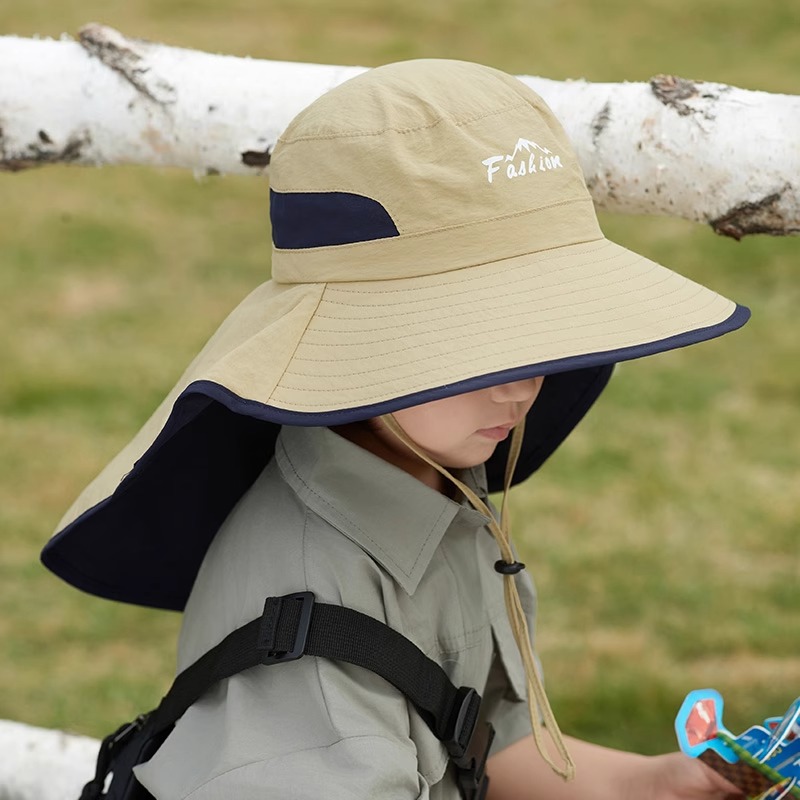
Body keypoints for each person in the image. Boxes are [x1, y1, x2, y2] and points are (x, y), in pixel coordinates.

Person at [42, 59, 750, 799]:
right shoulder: (310, 637)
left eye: (542, 335)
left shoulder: (430, 477)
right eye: (481, 344)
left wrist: (654, 783)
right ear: (355, 342)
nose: (523, 385)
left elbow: (472, 738)